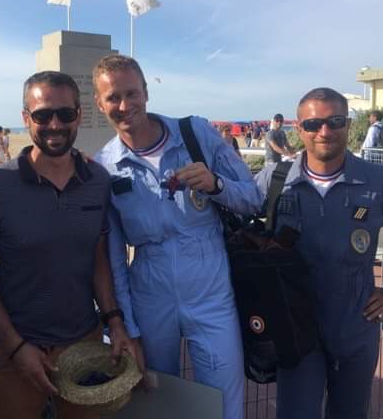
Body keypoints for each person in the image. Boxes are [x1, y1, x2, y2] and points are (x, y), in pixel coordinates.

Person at [92, 54, 262, 419]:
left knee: (222, 402)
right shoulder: (103, 167)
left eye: (132, 93)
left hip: (210, 292)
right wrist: (128, 326)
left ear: (147, 92)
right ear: (99, 103)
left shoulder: (195, 134)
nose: (124, 106)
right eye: (113, 98)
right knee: (153, 397)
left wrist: (217, 185)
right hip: (149, 293)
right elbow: (114, 255)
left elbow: (253, 198)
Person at [255, 87, 383, 419]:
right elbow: (235, 223)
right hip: (297, 330)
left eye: (335, 121)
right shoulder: (275, 181)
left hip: (355, 327)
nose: (324, 131)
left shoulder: (377, 181)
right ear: (298, 128)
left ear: (348, 125)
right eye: (313, 124)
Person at [0, 71, 136, 419]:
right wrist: (15, 347)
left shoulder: (97, 181)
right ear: (26, 118)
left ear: (79, 115)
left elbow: (99, 258)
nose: (55, 124)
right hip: (19, 349)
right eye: (43, 115)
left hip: (85, 347)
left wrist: (115, 322)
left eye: (65, 114)